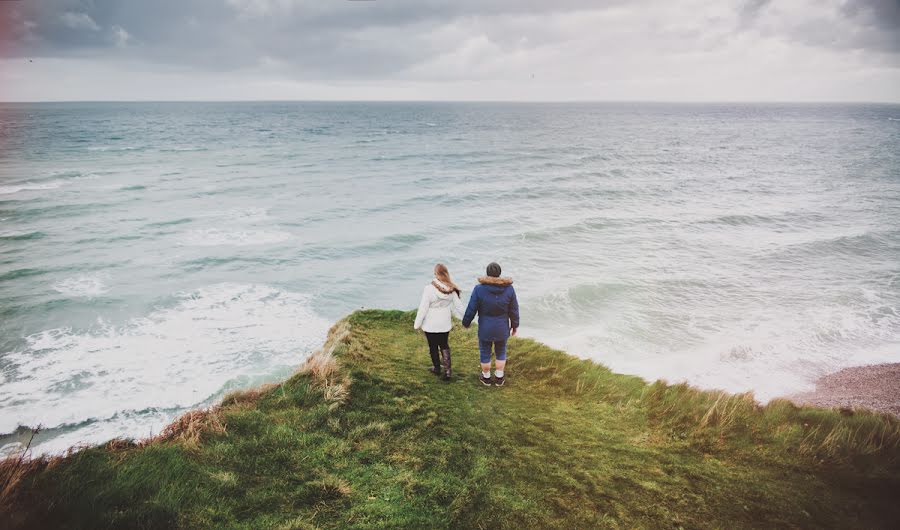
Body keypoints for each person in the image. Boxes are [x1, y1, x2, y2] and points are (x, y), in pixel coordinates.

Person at [462, 262, 519, 386]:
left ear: (487, 273)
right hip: (502, 327)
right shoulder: (509, 289)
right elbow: (514, 309)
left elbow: (471, 308)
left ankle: (486, 378)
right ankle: (499, 378)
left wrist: (466, 322)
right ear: (499, 273)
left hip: (485, 327)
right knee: (501, 351)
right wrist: (515, 326)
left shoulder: (479, 289)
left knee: (485, 351)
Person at [413, 263, 464, 380]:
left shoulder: (429, 289)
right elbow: (459, 306)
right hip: (444, 322)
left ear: (436, 274)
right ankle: (448, 371)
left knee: (433, 346)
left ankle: (436, 368)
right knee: (444, 344)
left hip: (431, 323)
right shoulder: (452, 289)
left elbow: (423, 308)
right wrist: (467, 319)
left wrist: (417, 324)